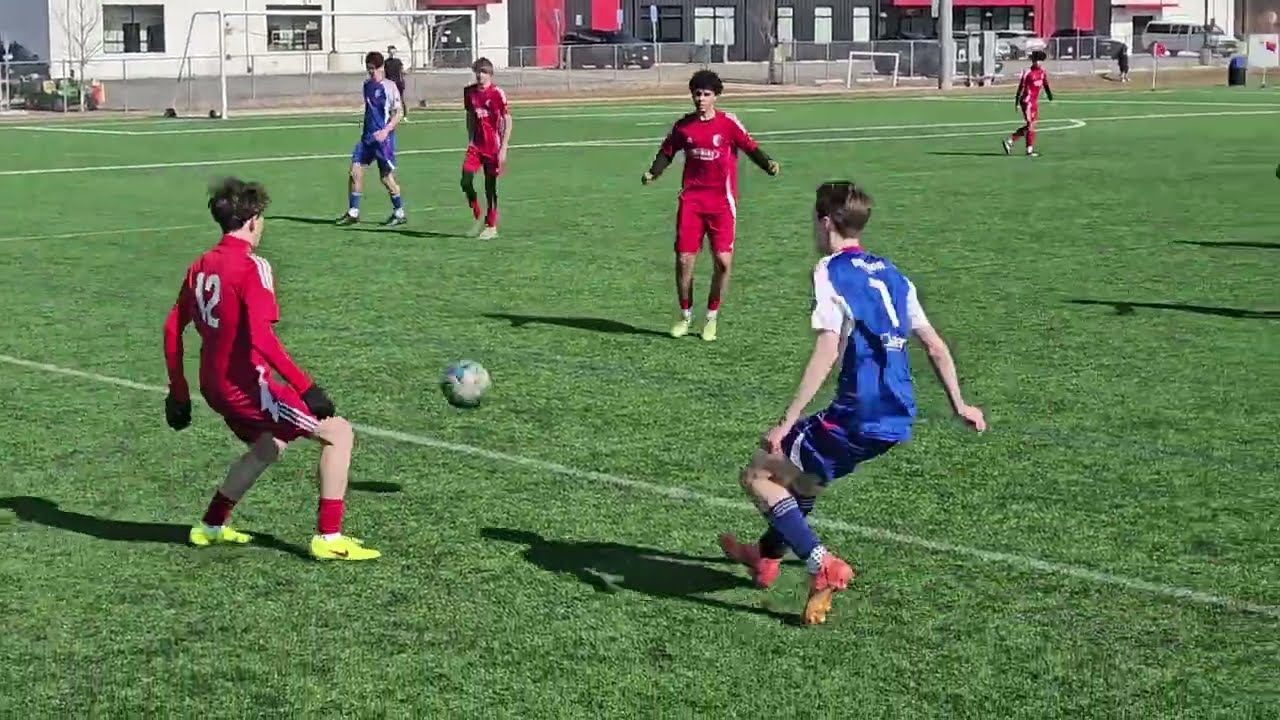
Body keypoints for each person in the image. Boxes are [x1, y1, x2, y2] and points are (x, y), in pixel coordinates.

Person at [717, 181, 985, 625]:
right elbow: (935, 346)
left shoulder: (829, 271)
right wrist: (960, 404)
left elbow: (827, 350)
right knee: (803, 479)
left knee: (759, 471)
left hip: (857, 412)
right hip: (898, 419)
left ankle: (819, 563)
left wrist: (787, 420)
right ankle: (765, 556)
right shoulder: (895, 275)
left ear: (826, 224)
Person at [164, 177, 381, 561]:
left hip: (212, 386)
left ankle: (211, 525)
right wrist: (307, 388)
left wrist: (179, 392)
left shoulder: (200, 265)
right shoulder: (252, 267)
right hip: (246, 386)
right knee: (339, 433)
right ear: (251, 220)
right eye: (261, 218)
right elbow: (263, 340)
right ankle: (329, 539)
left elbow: (172, 326)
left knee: (268, 445)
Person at [642, 70, 779, 342]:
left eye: (706, 94)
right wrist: (653, 172)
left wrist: (768, 164)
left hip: (722, 203)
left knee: (723, 262)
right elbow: (667, 152)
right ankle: (685, 316)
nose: (701, 99)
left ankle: (711, 318)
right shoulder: (684, 127)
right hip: (691, 201)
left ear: (715, 96)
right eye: (697, 94)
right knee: (684, 260)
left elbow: (750, 147)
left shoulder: (728, 123)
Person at [338, 51, 405, 226]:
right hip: (366, 139)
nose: (371, 73)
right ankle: (353, 212)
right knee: (354, 172)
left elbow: (399, 113)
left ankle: (399, 212)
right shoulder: (366, 85)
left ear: (381, 67)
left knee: (386, 179)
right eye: (368, 69)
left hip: (383, 141)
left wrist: (386, 130)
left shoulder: (390, 87)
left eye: (373, 69)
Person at [462, 57, 512, 240]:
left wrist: (504, 148)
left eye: (483, 72)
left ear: (490, 74)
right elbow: (470, 116)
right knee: (465, 179)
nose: (480, 75)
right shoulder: (469, 93)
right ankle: (476, 210)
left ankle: (491, 226)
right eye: (477, 71)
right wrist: (470, 138)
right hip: (476, 145)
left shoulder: (497, 93)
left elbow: (508, 120)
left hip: (493, 147)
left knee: (490, 186)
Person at [1003, 50, 1053, 158]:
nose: (1039, 63)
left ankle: (1010, 141)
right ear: (1033, 61)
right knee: (1031, 126)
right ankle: (1029, 150)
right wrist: (1016, 101)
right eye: (1037, 61)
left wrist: (1050, 96)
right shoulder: (1027, 72)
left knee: (1032, 125)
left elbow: (1045, 84)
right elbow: (1020, 87)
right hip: (1026, 101)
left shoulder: (1042, 73)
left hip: (1034, 102)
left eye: (1040, 61)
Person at [385, 45, 408, 118]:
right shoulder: (386, 62)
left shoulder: (398, 61)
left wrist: (405, 72)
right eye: (390, 50)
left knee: (400, 98)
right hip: (390, 84)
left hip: (398, 83)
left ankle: (404, 116)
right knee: (390, 100)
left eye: (393, 50)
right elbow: (385, 73)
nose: (392, 52)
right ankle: (390, 116)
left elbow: (402, 71)